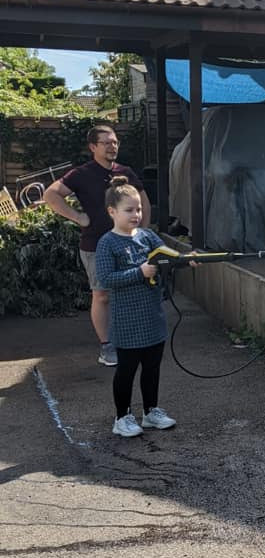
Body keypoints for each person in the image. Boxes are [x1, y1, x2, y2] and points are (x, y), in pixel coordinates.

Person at [44, 124, 150, 367]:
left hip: (127, 245)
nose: (113, 146)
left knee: (129, 293)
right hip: (95, 245)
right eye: (107, 143)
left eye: (115, 142)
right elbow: (51, 195)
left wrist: (142, 232)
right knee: (102, 295)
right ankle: (107, 346)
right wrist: (78, 217)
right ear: (93, 147)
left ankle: (129, 340)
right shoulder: (81, 174)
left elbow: (143, 202)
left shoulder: (126, 172)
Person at [94, 176, 176, 438]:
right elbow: (107, 279)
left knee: (152, 367)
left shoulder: (147, 236)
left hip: (153, 317)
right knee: (127, 371)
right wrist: (139, 272)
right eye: (129, 210)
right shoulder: (107, 242)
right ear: (112, 212)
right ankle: (122, 417)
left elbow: (167, 256)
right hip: (128, 321)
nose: (136, 214)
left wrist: (188, 259)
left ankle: (151, 411)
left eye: (138, 209)